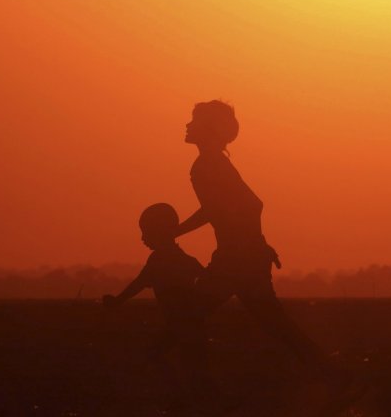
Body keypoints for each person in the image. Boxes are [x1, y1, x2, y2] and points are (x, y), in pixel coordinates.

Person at [175, 100, 325, 369]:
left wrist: (175, 231)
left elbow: (216, 209)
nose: (188, 125)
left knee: (187, 316)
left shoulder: (206, 166)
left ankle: (200, 390)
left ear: (209, 129)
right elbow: (249, 205)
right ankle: (332, 374)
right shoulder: (215, 164)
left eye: (194, 121)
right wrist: (259, 244)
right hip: (245, 258)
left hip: (234, 261)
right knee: (274, 322)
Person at [103, 203, 212, 402]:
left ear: (159, 233)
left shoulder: (158, 260)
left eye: (147, 233)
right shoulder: (186, 260)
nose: (143, 239)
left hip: (183, 325)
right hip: (186, 325)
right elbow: (208, 281)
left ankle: (186, 399)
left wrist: (117, 301)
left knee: (164, 358)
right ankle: (191, 400)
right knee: (191, 365)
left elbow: (138, 284)